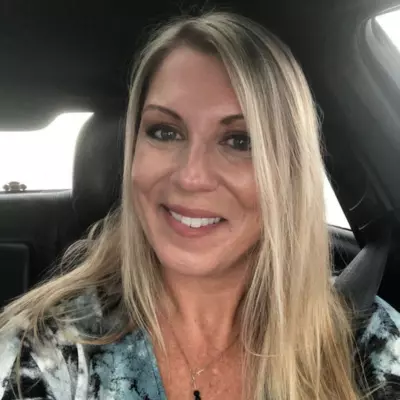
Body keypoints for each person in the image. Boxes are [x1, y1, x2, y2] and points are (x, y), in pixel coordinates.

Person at [1, 11, 400, 400]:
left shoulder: (366, 340)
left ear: (290, 172)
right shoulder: (42, 352)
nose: (191, 177)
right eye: (165, 132)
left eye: (240, 141)